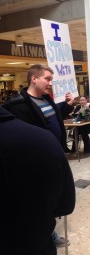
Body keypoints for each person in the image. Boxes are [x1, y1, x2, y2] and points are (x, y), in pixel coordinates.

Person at [3, 64, 75, 248]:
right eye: (47, 79)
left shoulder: (46, 99)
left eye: (51, 80)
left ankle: (49, 228)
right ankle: (48, 234)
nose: (50, 83)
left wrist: (67, 106)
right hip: (37, 162)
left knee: (52, 196)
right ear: (33, 78)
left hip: (54, 155)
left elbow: (54, 117)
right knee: (40, 201)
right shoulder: (19, 105)